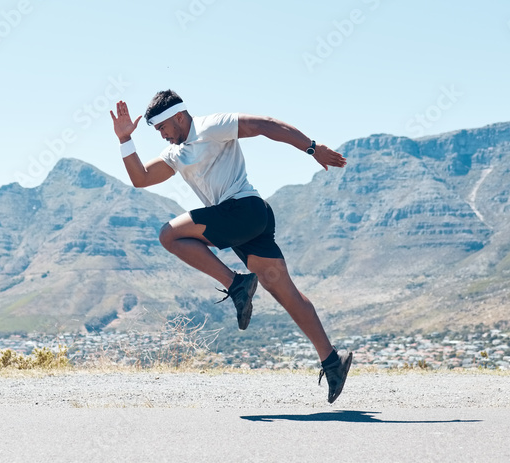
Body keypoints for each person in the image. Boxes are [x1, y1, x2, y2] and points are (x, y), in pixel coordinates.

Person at [109, 90, 354, 403]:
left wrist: (312, 148)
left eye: (162, 128)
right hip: (245, 223)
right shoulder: (175, 155)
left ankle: (237, 284)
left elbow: (265, 125)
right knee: (283, 291)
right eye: (157, 131)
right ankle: (332, 361)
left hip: (244, 210)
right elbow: (140, 178)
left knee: (169, 236)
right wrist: (124, 140)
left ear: (179, 116)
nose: (162, 134)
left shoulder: (212, 126)